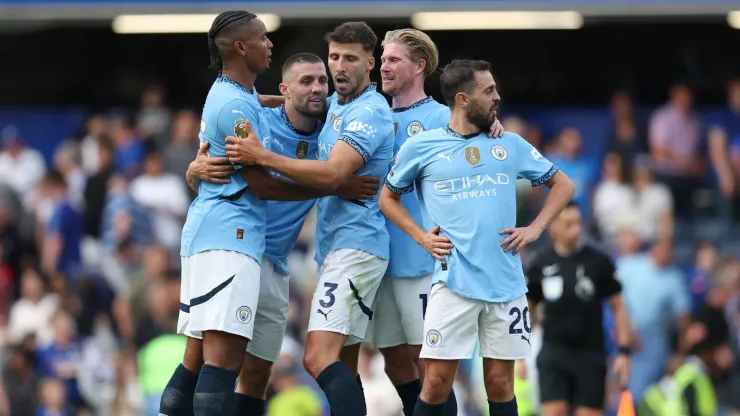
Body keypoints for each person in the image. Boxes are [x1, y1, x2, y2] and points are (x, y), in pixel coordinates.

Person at [158, 13, 375, 416]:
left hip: (270, 259)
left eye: (321, 81)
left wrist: (196, 169)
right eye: (305, 81)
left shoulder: (333, 130)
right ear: (285, 88)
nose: (317, 87)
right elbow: (254, 173)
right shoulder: (255, 120)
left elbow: (239, 112)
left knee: (255, 373)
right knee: (209, 357)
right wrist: (195, 169)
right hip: (232, 242)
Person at [379, 59, 574, 416]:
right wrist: (421, 237)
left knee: (500, 383)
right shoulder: (422, 147)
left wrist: (536, 229)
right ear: (463, 99)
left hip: (507, 283)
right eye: (489, 91)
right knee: (436, 382)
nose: (498, 97)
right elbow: (386, 197)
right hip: (452, 281)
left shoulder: (509, 144)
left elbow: (562, 184)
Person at [224, 21, 395, 416]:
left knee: (316, 358)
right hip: (336, 247)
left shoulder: (369, 110)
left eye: (350, 58)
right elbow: (294, 99)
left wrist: (263, 157)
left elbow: (335, 173)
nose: (338, 67)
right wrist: (243, 106)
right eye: (334, 56)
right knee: (344, 364)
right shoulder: (338, 104)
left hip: (357, 246)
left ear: (370, 63)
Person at [375, 28, 504, 416]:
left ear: (419, 67)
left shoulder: (441, 117)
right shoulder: (371, 112)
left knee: (430, 366)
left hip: (423, 261)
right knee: (394, 362)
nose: (383, 65)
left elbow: (484, 157)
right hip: (379, 258)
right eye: (382, 58)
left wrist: (492, 128)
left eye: (393, 59)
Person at [524, 201, 632, 416]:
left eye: (578, 223)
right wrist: (519, 354)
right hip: (554, 352)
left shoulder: (599, 262)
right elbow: (528, 309)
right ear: (553, 227)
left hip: (590, 354)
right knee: (554, 411)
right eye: (569, 224)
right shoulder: (541, 264)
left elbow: (618, 307)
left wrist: (623, 352)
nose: (576, 230)